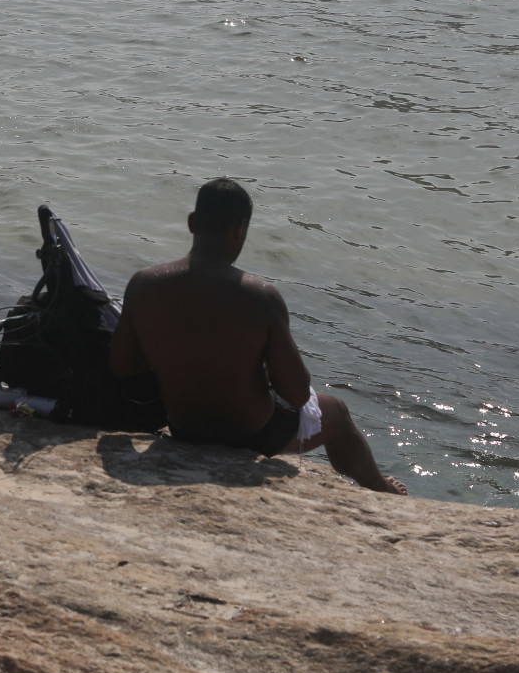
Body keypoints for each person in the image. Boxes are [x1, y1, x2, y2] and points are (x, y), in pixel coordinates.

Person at [109, 180, 406, 495]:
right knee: (337, 412)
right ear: (241, 231)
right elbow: (297, 394)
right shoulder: (259, 296)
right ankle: (377, 486)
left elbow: (121, 365)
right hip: (252, 435)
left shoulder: (143, 284)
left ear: (192, 223)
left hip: (185, 427)